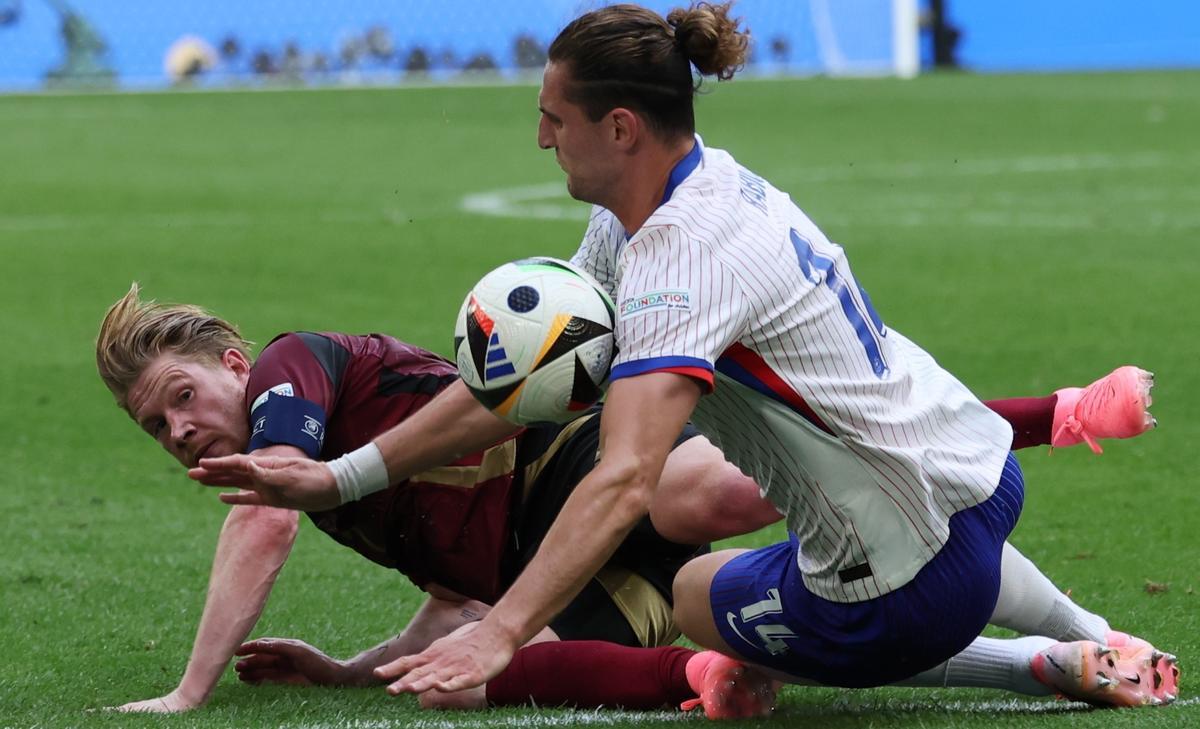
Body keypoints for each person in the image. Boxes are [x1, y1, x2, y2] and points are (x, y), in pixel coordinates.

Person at [190, 3, 1178, 712]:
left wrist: (497, 629)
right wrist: (337, 477)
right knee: (853, 539)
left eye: (554, 117)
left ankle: (1032, 666)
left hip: (909, 574)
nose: (541, 138)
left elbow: (623, 474)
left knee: (702, 595)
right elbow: (517, 389)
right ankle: (1097, 634)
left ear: (619, 127)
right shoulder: (690, 198)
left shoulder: (676, 260)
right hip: (979, 482)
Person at [102, 286, 1167, 715]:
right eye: (160, 429)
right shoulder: (325, 487)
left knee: (713, 491)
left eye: (183, 396)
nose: (182, 428)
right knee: (484, 678)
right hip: (544, 572)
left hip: (568, 467)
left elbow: (267, 513)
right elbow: (450, 594)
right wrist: (351, 668)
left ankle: (1059, 417)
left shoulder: (293, 370)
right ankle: (1054, 659)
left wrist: (190, 693)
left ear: (234, 361)